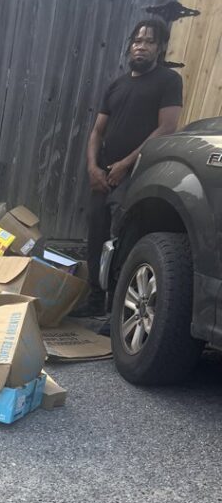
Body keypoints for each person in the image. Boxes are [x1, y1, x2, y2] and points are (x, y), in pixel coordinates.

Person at [83, 18, 183, 317]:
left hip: (138, 174)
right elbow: (97, 131)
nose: (141, 46)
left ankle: (116, 312)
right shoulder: (117, 84)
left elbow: (167, 128)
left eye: (149, 41)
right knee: (96, 234)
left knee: (122, 241)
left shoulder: (168, 81)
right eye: (137, 40)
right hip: (103, 174)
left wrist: (125, 165)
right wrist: (93, 167)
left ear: (160, 47)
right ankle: (93, 301)